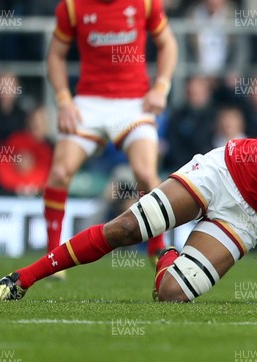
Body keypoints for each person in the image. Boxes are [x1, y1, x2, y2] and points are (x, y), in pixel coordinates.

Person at [0, 100, 257, 302]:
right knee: (123, 229)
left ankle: (166, 256)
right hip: (224, 171)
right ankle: (19, 281)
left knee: (171, 296)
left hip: (249, 221)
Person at [43, 0, 178, 275]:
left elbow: (168, 44)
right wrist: (64, 100)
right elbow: (55, 56)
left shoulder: (145, 4)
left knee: (145, 173)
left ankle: (157, 249)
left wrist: (161, 87)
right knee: (59, 173)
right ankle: (53, 256)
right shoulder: (72, 7)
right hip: (88, 103)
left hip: (132, 104)